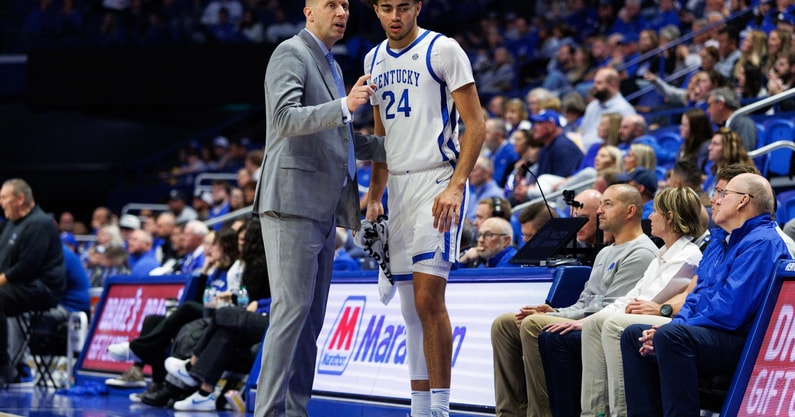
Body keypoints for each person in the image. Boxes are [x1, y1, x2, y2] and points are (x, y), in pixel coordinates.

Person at [251, 1, 387, 416]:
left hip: (325, 207)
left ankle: (296, 411)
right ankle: (269, 412)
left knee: (310, 321)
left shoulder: (331, 65)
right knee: (290, 313)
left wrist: (406, 148)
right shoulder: (290, 52)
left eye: (345, 4)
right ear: (308, 11)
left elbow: (341, 139)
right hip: (292, 202)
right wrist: (346, 105)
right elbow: (285, 119)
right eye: (331, 4)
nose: (342, 11)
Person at [362, 1, 486, 415]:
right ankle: (419, 407)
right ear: (375, 11)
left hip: (437, 178)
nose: (394, 16)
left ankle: (441, 408)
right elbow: (380, 136)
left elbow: (477, 123)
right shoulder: (373, 58)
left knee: (427, 299)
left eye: (402, 7)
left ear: (417, 6)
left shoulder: (444, 49)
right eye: (385, 8)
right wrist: (375, 192)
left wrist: (456, 185)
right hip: (396, 185)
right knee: (407, 307)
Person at [620, 173, 790, 417]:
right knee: (633, 335)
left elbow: (731, 311)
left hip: (742, 340)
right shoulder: (719, 242)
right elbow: (696, 296)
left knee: (671, 336)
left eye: (723, 194)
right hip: (710, 333)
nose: (714, 200)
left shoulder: (763, 242)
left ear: (743, 201)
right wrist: (675, 324)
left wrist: (674, 329)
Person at [491, 184, 657, 417]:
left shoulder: (641, 253)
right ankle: (509, 413)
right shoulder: (606, 252)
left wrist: (554, 317)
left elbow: (609, 309)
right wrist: (554, 310)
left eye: (607, 204)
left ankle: (542, 413)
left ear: (630, 211)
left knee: (531, 324)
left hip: (600, 328)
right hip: (585, 318)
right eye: (600, 204)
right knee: (504, 324)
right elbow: (585, 302)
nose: (600, 210)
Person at [538, 186, 705, 417]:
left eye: (655, 211)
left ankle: (620, 412)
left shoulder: (688, 254)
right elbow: (632, 297)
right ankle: (594, 412)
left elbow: (648, 298)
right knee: (596, 323)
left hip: (667, 318)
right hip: (647, 312)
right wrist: (587, 320)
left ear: (670, 217)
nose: (650, 217)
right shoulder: (663, 253)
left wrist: (592, 320)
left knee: (610, 324)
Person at [0, 179, 66, 385]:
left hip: (42, 288)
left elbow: (28, 266)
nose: (1, 203)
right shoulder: (10, 224)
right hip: (18, 286)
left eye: (4, 197)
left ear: (20, 199)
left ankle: (3, 366)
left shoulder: (40, 223)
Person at [579, 67, 637, 151]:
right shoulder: (592, 106)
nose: (594, 86)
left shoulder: (624, 110)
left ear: (612, 85)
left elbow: (627, 142)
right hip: (583, 151)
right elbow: (582, 131)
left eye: (599, 83)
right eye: (594, 82)